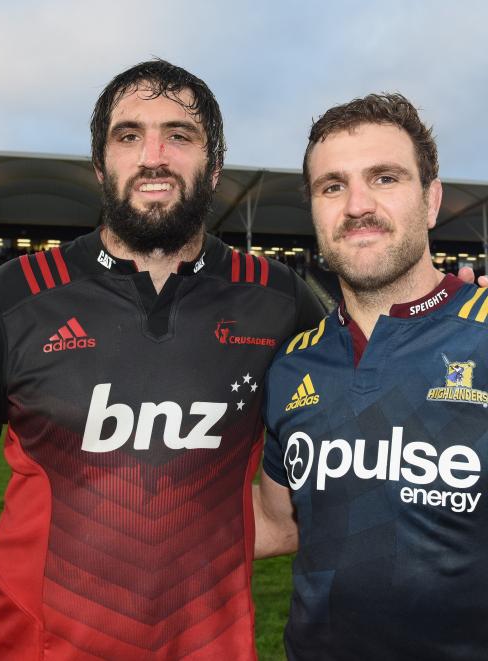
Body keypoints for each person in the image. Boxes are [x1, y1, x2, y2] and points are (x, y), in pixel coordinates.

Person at [0, 59, 323, 660]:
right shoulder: (16, 295)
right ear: (100, 166)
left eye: (180, 135)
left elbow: (351, 450)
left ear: (213, 166)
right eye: (128, 136)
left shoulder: (277, 299)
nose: (153, 156)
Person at [254, 93, 488, 660]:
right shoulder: (293, 365)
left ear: (431, 201)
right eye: (332, 186)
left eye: (385, 178)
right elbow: (277, 523)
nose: (357, 204)